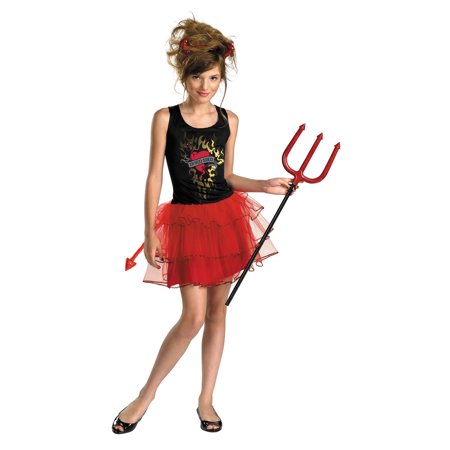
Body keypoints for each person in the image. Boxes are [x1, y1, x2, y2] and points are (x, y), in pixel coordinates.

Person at [112, 17, 298, 434]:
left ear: (221, 77)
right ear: (184, 75)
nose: (205, 85)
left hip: (224, 220)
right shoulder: (166, 118)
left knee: (217, 313)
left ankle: (206, 399)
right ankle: (145, 395)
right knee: (193, 317)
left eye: (213, 77)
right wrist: (149, 231)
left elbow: (227, 176)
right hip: (186, 222)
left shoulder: (229, 120)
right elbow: (154, 177)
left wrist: (265, 185)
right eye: (198, 76)